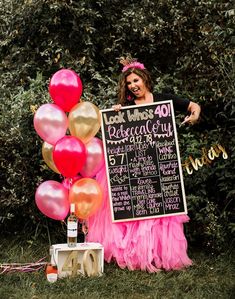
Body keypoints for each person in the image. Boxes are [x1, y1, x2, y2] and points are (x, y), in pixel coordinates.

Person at [87, 57, 201, 272]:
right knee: (138, 214)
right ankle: (139, 255)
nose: (133, 86)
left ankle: (159, 255)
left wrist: (194, 116)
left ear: (145, 79)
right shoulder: (128, 108)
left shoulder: (162, 101)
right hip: (137, 167)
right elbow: (116, 138)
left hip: (160, 164)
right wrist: (117, 114)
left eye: (135, 80)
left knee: (161, 212)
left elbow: (193, 106)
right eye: (129, 83)